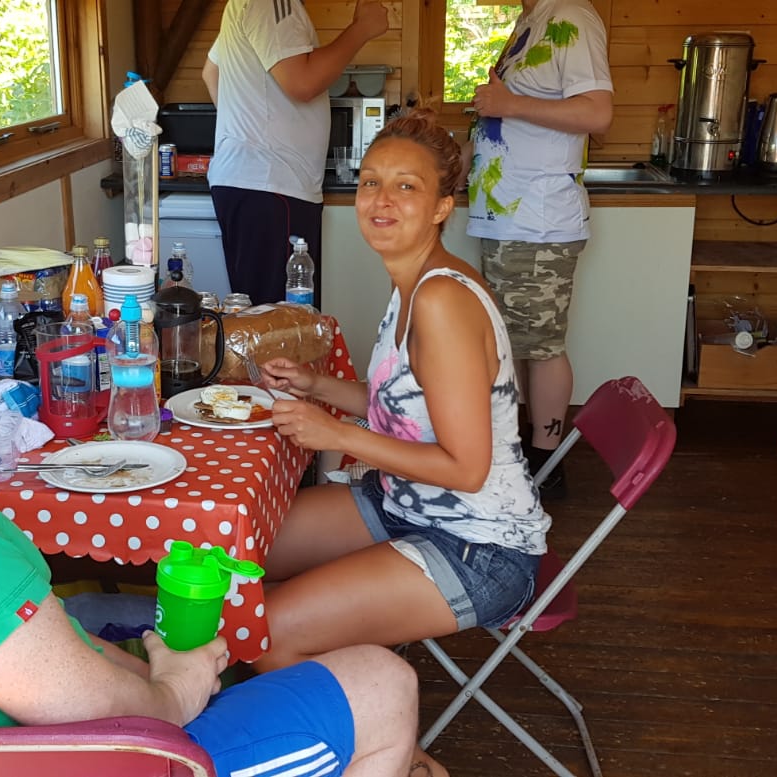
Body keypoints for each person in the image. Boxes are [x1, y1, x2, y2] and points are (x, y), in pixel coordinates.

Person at [0, 218, 427, 777]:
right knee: (381, 681)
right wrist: (173, 691)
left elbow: (36, 655)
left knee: (115, 619)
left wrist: (153, 671)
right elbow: (88, 704)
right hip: (88, 757)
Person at [253, 110, 547, 679]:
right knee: (235, 559)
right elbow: (410, 408)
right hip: (402, 504)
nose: (381, 200)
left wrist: (337, 434)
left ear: (441, 207)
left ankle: (381, 728)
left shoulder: (442, 300)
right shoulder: (412, 279)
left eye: (406, 187)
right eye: (370, 182)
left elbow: (466, 469)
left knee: (265, 633)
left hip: (479, 546)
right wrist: (316, 386)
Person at [466, 0, 612, 499]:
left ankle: (547, 467)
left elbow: (598, 112)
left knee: (542, 346)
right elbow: (500, 119)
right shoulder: (532, 21)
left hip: (537, 220)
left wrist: (509, 105)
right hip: (510, 219)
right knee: (520, 344)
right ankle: (529, 453)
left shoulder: (572, 16)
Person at [203, 0, 390, 305]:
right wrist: (361, 29)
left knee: (265, 317)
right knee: (284, 322)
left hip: (258, 184)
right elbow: (302, 83)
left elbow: (211, 72)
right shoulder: (273, 3)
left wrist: (244, 128)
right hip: (273, 184)